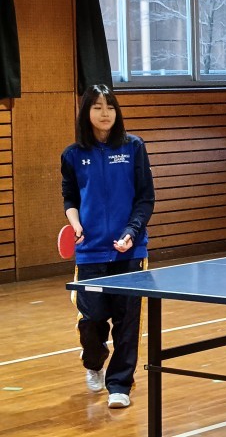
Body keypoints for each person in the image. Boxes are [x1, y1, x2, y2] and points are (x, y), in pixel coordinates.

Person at [61, 84, 155, 408]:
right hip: (90, 252)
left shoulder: (133, 147)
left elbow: (145, 198)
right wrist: (75, 224)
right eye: (98, 107)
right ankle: (93, 360)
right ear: (86, 112)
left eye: (110, 107)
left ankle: (120, 385)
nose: (105, 113)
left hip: (130, 250)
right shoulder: (72, 155)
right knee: (92, 320)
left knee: (127, 321)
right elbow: (70, 198)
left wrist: (131, 232)